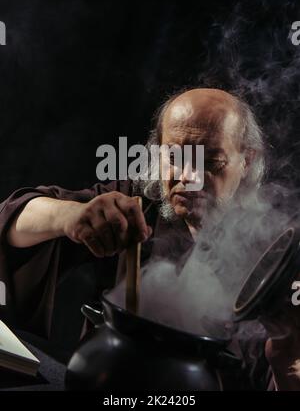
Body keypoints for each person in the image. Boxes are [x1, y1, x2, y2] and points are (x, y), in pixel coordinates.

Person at [0, 88, 298, 389]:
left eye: (209, 161)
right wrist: (69, 217)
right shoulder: (137, 206)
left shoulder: (277, 258)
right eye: (174, 156)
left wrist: (287, 364)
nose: (187, 176)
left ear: (247, 161)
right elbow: (11, 219)